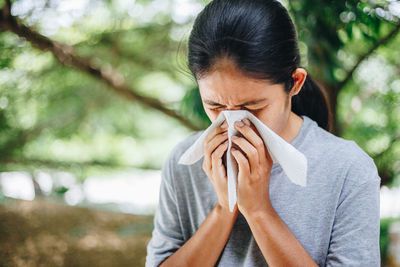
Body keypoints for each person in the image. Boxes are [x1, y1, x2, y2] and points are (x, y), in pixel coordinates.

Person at [145, 0, 381, 266]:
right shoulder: (184, 162)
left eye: (252, 107)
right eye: (216, 106)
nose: (234, 122)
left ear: (295, 83)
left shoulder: (347, 168)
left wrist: (258, 209)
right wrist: (225, 207)